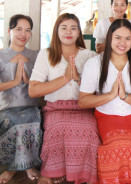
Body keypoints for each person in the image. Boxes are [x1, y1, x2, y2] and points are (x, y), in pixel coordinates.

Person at [79, 19, 131, 184]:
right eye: (118, 37)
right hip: (107, 114)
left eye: (128, 38)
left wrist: (125, 97)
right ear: (109, 38)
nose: (123, 42)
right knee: (116, 143)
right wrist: (111, 95)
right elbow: (83, 101)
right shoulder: (94, 64)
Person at [29, 13, 99, 184]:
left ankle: (82, 175)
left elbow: (97, 91)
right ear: (56, 31)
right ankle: (53, 171)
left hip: (83, 107)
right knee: (56, 128)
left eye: (73, 28)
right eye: (64, 27)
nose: (69, 32)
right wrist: (65, 78)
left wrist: (77, 79)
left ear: (79, 33)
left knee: (90, 129)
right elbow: (33, 90)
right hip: (55, 109)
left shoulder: (89, 56)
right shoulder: (46, 54)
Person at [0, 15, 41, 183]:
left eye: (27, 30)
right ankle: (12, 167)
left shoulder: (37, 55)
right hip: (7, 107)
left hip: (31, 105)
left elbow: (43, 83)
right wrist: (15, 82)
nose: (23, 34)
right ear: (10, 31)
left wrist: (29, 81)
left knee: (33, 117)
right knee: (14, 120)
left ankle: (28, 164)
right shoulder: (1, 55)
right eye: (18, 29)